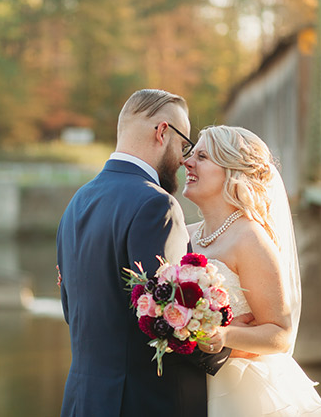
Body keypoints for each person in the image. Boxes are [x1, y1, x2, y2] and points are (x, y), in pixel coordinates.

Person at [56, 89, 231, 417]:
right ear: (162, 132)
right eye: (184, 144)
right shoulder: (156, 204)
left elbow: (72, 310)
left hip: (83, 400)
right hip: (143, 402)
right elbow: (165, 321)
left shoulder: (76, 203)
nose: (183, 159)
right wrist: (227, 349)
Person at [182, 125, 321, 416]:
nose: (187, 161)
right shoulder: (184, 234)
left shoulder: (250, 239)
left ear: (231, 172)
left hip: (242, 393)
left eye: (202, 156)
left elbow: (280, 333)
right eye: (191, 154)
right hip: (189, 381)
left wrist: (223, 336)